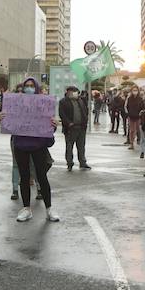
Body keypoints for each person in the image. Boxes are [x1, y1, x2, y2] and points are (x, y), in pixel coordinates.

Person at [7, 78, 59, 222]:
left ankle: (49, 209)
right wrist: (3, 118)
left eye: (31, 86)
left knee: (42, 177)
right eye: (26, 86)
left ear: (36, 88)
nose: (28, 88)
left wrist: (53, 124)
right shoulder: (16, 104)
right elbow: (9, 122)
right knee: (24, 177)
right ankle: (26, 209)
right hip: (21, 144)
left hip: (38, 145)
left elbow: (49, 125)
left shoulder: (43, 103)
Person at [58, 84, 91, 171]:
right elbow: (62, 114)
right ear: (68, 93)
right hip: (70, 128)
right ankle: (69, 163)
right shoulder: (63, 102)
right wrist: (69, 123)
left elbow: (85, 111)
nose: (75, 94)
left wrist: (85, 121)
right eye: (73, 92)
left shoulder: (80, 100)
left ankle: (82, 162)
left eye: (76, 92)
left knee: (81, 146)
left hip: (81, 127)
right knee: (69, 146)